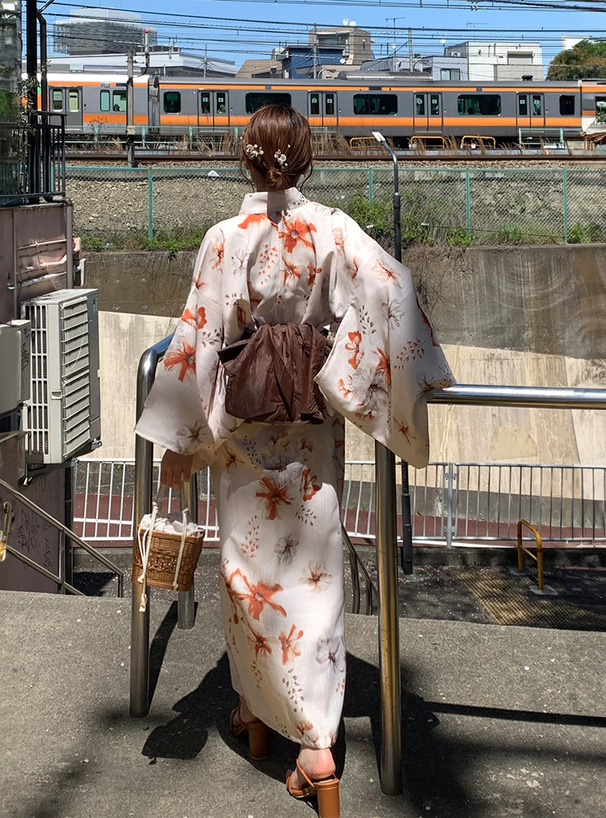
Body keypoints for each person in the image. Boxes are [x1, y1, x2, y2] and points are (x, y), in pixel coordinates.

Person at [135, 104, 455, 818]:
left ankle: (257, 714)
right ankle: (313, 746)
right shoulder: (334, 230)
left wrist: (182, 446)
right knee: (314, 589)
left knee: (248, 579)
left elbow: (198, 339)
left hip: (243, 437)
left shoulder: (225, 238)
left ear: (246, 159)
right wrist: (361, 375)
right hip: (312, 437)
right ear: (305, 160)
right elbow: (392, 289)